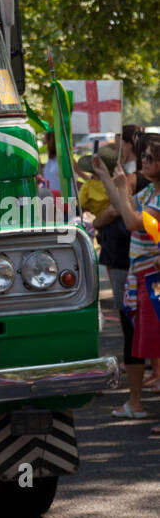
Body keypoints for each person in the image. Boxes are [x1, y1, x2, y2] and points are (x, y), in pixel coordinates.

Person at [92, 139, 160, 425]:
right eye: (143, 156)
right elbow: (123, 208)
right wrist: (108, 177)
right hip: (143, 276)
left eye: (150, 157)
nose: (144, 161)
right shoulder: (152, 193)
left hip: (153, 279)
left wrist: (120, 185)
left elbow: (133, 223)